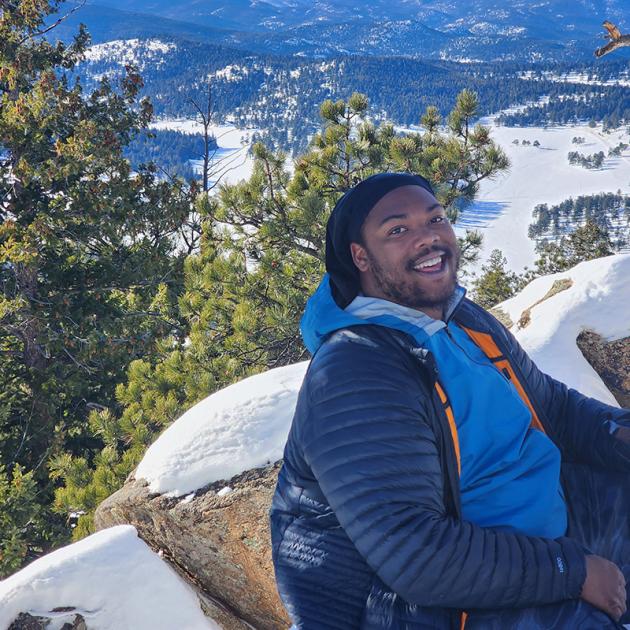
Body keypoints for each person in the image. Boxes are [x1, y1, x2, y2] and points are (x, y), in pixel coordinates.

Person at [269, 172, 630, 629]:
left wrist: (615, 431)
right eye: (398, 230)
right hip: (426, 603)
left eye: (435, 218)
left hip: (539, 525)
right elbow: (415, 553)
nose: (427, 238)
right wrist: (571, 571)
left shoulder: (461, 320)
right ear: (360, 256)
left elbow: (550, 408)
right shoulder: (357, 371)